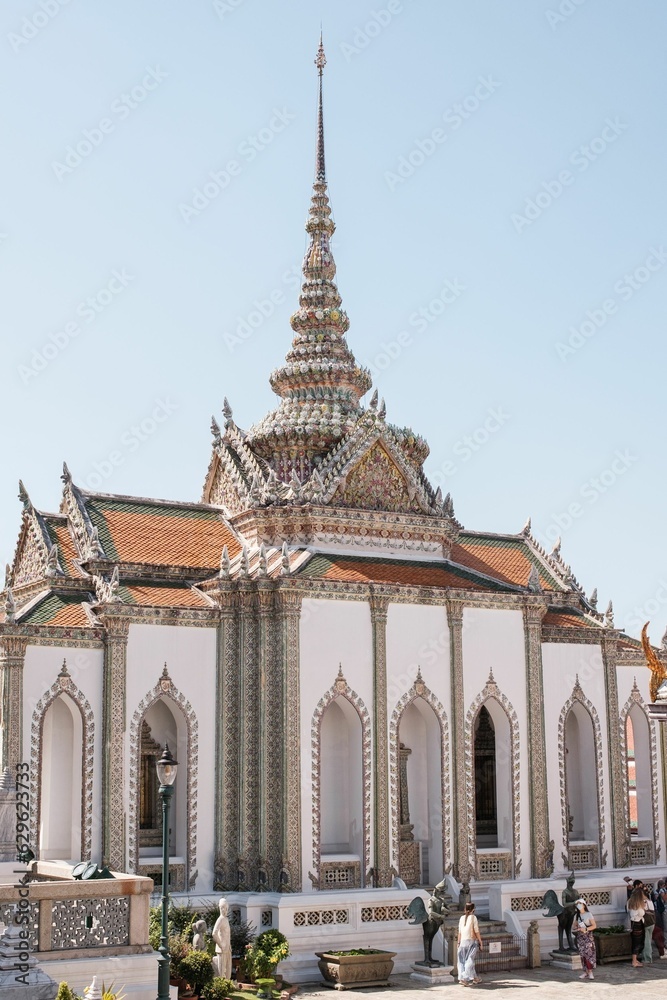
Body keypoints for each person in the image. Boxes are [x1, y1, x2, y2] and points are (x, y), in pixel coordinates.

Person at [457, 901, 483, 987]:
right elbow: (477, 931)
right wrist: (480, 941)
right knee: (470, 960)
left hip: (462, 942)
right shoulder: (473, 917)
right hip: (471, 941)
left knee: (462, 961)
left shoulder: (461, 918)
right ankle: (464, 978)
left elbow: (459, 932)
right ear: (473, 909)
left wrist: (458, 942)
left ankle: (474, 978)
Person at [572, 898, 596, 980]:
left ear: (584, 905)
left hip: (588, 936)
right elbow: (574, 926)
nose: (578, 906)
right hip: (580, 937)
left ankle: (590, 971)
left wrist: (586, 929)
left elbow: (594, 925)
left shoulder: (588, 914)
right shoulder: (577, 915)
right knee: (582, 954)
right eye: (577, 904)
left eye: (580, 904)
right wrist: (577, 927)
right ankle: (585, 971)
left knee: (589, 953)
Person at [212, 897, 232, 980]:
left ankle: (227, 985)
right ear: (220, 908)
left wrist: (229, 945)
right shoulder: (220, 920)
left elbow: (227, 934)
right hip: (222, 949)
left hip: (228, 949)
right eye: (223, 908)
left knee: (228, 969)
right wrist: (221, 945)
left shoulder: (226, 919)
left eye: (226, 908)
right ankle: (221, 986)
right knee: (221, 971)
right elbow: (214, 933)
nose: (225, 910)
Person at [627, 885, 646, 968]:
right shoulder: (638, 906)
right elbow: (641, 914)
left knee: (635, 942)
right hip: (637, 924)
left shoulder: (630, 903)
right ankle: (634, 961)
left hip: (634, 923)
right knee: (637, 943)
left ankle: (635, 959)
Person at [641, 885, 656, 964]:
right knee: (648, 940)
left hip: (646, 922)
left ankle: (647, 958)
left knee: (646, 940)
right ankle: (648, 956)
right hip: (652, 922)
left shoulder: (644, 902)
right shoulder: (650, 901)